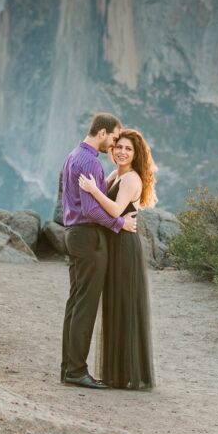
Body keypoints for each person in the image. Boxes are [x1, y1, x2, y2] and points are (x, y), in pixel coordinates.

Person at [60, 113, 138, 389]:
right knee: (85, 305)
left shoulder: (73, 155)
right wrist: (119, 223)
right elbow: (92, 209)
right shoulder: (90, 162)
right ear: (102, 133)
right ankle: (77, 371)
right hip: (88, 237)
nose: (116, 145)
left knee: (75, 302)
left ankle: (69, 367)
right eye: (115, 138)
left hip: (73, 233)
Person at [78, 128, 157, 390]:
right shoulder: (116, 174)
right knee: (114, 305)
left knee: (124, 306)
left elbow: (113, 208)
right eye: (119, 147)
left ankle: (128, 373)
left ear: (136, 155)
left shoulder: (131, 179)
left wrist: (91, 189)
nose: (122, 152)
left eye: (128, 149)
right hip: (114, 242)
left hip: (124, 248)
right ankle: (117, 372)